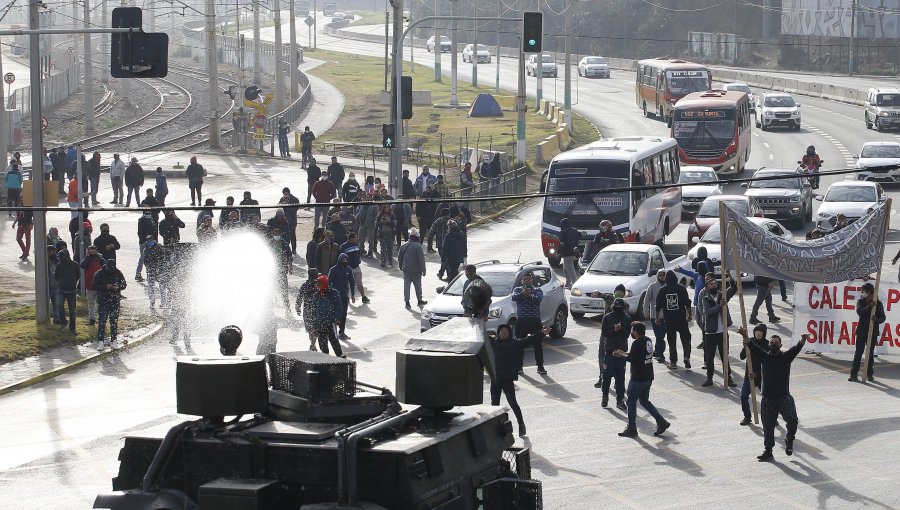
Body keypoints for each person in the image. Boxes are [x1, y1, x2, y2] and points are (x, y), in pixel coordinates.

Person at [738, 327, 807, 461]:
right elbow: (750, 344)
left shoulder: (786, 357)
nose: (774, 345)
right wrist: (744, 334)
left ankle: (789, 439)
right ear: (768, 345)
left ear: (780, 345)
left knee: (793, 421)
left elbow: (797, 348)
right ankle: (768, 451)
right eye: (772, 343)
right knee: (768, 427)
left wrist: (803, 339)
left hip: (784, 398)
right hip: (768, 399)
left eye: (776, 343)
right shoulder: (764, 356)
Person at [613, 322, 671, 438]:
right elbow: (638, 354)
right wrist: (623, 352)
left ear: (636, 331)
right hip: (648, 377)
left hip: (638, 378)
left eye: (632, 330)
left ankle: (632, 427)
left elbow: (631, 358)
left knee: (630, 402)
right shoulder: (647, 340)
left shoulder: (637, 343)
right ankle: (661, 421)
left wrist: (620, 355)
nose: (632, 332)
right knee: (644, 401)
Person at [489, 324, 528, 437]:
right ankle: (495, 428)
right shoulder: (494, 343)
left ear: (509, 333)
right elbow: (481, 334)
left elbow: (528, 340)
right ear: (498, 332)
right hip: (495, 380)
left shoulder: (514, 343)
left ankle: (521, 424)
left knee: (512, 402)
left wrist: (542, 333)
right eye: (501, 331)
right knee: (494, 404)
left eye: (506, 331)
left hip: (507, 380)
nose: (503, 333)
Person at [699, 275, 737, 387]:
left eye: (715, 283)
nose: (714, 285)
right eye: (711, 284)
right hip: (710, 333)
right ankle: (709, 378)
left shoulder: (722, 296)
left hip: (722, 332)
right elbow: (708, 312)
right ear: (707, 288)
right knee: (710, 357)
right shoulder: (705, 299)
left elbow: (733, 289)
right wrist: (720, 306)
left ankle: (728, 378)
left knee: (725, 356)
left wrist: (730, 277)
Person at [599, 297, 632, 408]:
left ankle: (620, 400)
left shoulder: (627, 318)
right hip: (609, 351)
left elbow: (626, 334)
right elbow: (605, 333)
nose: (618, 309)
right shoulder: (607, 318)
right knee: (607, 376)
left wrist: (620, 329)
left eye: (620, 308)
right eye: (616, 307)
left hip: (621, 352)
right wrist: (614, 330)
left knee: (620, 378)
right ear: (613, 307)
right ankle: (605, 397)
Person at [512, 271, 547, 375]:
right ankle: (519, 367)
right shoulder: (517, 290)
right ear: (522, 281)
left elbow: (538, 300)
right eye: (524, 279)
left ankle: (540, 367)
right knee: (519, 344)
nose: (526, 281)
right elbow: (514, 297)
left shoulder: (537, 290)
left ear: (531, 280)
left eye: (528, 279)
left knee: (538, 344)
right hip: (522, 320)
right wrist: (523, 294)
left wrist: (529, 295)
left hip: (534, 320)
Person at [656, 270, 692, 369]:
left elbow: (658, 305)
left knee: (671, 341)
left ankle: (673, 362)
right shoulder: (681, 288)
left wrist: (658, 318)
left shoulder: (662, 290)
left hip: (669, 319)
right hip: (681, 318)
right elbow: (687, 303)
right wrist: (690, 315)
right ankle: (686, 356)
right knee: (686, 338)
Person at [849, 282, 886, 382]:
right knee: (858, 354)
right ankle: (853, 375)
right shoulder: (860, 301)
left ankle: (869, 374)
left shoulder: (878, 304)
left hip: (872, 333)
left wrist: (876, 319)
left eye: (864, 291)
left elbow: (883, 317)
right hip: (861, 332)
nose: (862, 292)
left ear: (869, 291)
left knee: (869, 355)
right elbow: (860, 312)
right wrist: (869, 306)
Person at [94, 259, 127, 350]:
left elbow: (124, 284)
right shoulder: (99, 273)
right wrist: (105, 286)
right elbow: (94, 285)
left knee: (114, 321)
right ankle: (101, 341)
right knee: (102, 322)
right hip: (103, 300)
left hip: (115, 300)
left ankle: (114, 340)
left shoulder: (118, 273)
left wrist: (118, 286)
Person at [308, 275, 345, 357]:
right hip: (320, 323)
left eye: (319, 283)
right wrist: (313, 323)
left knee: (334, 340)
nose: (316, 285)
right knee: (322, 342)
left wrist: (338, 318)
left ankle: (339, 355)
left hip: (330, 322)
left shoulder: (333, 293)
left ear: (324, 283)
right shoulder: (316, 295)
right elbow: (313, 311)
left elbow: (339, 306)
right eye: (316, 283)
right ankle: (325, 357)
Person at [740, 323, 768, 426]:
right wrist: (745, 347)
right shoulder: (750, 341)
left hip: (762, 377)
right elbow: (742, 357)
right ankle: (747, 417)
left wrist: (758, 374)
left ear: (764, 333)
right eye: (757, 330)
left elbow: (769, 364)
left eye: (761, 331)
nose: (758, 333)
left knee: (767, 398)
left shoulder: (767, 345)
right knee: (743, 396)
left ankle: (770, 417)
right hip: (749, 374)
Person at [328, 253, 355, 340]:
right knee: (334, 314)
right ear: (339, 260)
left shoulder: (349, 269)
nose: (344, 262)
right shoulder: (333, 270)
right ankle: (332, 332)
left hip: (344, 296)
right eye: (343, 260)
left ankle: (342, 332)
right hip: (335, 296)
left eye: (346, 260)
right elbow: (329, 283)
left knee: (344, 314)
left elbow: (352, 282)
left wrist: (353, 294)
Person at [398, 228, 427, 308]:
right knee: (417, 285)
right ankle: (419, 301)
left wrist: (400, 266)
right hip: (416, 270)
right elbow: (421, 259)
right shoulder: (418, 246)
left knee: (406, 285)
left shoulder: (404, 245)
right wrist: (423, 270)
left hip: (406, 269)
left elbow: (400, 257)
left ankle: (407, 302)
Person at [644, 269, 668, 362]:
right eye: (660, 275)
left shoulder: (668, 286)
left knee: (661, 336)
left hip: (666, 316)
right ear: (657, 276)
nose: (662, 277)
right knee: (659, 336)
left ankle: (658, 352)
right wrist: (646, 312)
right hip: (655, 316)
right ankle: (660, 353)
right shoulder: (652, 286)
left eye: (663, 275)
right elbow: (646, 301)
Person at [340, 232, 370, 304]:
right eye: (356, 237)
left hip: (356, 267)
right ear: (351, 238)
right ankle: (345, 299)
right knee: (346, 285)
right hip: (347, 268)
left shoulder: (357, 245)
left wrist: (358, 261)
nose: (357, 238)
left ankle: (363, 297)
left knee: (359, 283)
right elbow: (340, 257)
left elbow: (358, 254)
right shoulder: (344, 246)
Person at [55, 249, 80, 333]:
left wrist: (72, 282)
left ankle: (72, 328)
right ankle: (63, 322)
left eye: (62, 256)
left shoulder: (74, 264)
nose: (61, 258)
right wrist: (62, 282)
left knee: (72, 310)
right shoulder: (59, 265)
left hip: (72, 290)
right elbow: (56, 276)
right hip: (61, 289)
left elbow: (78, 275)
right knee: (59, 305)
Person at [296, 268, 321, 350]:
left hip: (307, 309)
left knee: (310, 328)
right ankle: (313, 343)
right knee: (316, 327)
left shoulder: (305, 285)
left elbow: (300, 297)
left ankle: (312, 344)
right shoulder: (319, 284)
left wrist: (298, 307)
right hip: (317, 309)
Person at [270, 228, 294, 314]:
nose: (276, 235)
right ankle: (270, 309)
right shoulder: (270, 243)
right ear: (272, 234)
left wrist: (290, 266)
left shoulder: (284, 244)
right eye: (275, 234)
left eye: (278, 234)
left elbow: (289, 256)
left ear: (280, 235)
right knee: (270, 290)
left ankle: (287, 309)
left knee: (284, 290)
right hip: (272, 271)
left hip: (282, 270)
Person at [80, 245, 106, 325]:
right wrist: (88, 257)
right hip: (90, 286)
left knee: (100, 303)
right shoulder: (87, 259)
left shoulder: (101, 259)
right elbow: (82, 265)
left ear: (96, 250)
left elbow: (105, 267)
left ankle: (101, 318)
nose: (92, 252)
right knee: (91, 304)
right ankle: (92, 319)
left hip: (99, 286)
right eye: (90, 250)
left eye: (93, 250)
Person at [142, 236, 167, 309]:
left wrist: (158, 269)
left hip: (160, 271)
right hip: (151, 271)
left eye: (150, 240)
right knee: (151, 287)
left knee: (162, 287)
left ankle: (163, 303)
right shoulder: (146, 250)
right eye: (148, 241)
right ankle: (152, 302)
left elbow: (163, 260)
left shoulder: (160, 248)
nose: (149, 242)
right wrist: (150, 269)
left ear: (154, 240)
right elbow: (146, 262)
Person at [428, 208, 452, 278]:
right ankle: (442, 273)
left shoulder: (437, 222)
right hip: (451, 245)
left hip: (441, 244)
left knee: (444, 259)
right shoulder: (452, 221)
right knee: (447, 260)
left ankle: (447, 274)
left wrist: (430, 244)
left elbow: (430, 233)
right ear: (448, 213)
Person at [558, 218, 582, 289]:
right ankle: (568, 283)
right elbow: (580, 236)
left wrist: (558, 252)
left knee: (570, 269)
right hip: (574, 252)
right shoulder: (575, 230)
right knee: (565, 268)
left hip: (567, 253)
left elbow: (561, 243)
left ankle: (575, 284)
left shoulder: (563, 232)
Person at [276, 187, 301, 254]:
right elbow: (278, 207)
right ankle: (285, 248)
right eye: (284, 194)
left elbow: (297, 208)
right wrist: (282, 203)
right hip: (283, 222)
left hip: (291, 221)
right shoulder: (282, 199)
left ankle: (294, 249)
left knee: (292, 236)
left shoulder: (294, 199)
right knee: (284, 236)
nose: (286, 195)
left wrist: (294, 224)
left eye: (287, 194)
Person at [135, 210, 158, 282]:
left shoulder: (151, 219)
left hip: (152, 241)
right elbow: (140, 232)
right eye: (147, 211)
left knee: (152, 257)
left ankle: (151, 275)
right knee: (143, 258)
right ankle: (138, 274)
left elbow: (154, 230)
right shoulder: (142, 220)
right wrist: (144, 240)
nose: (149, 213)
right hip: (145, 242)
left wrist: (154, 240)